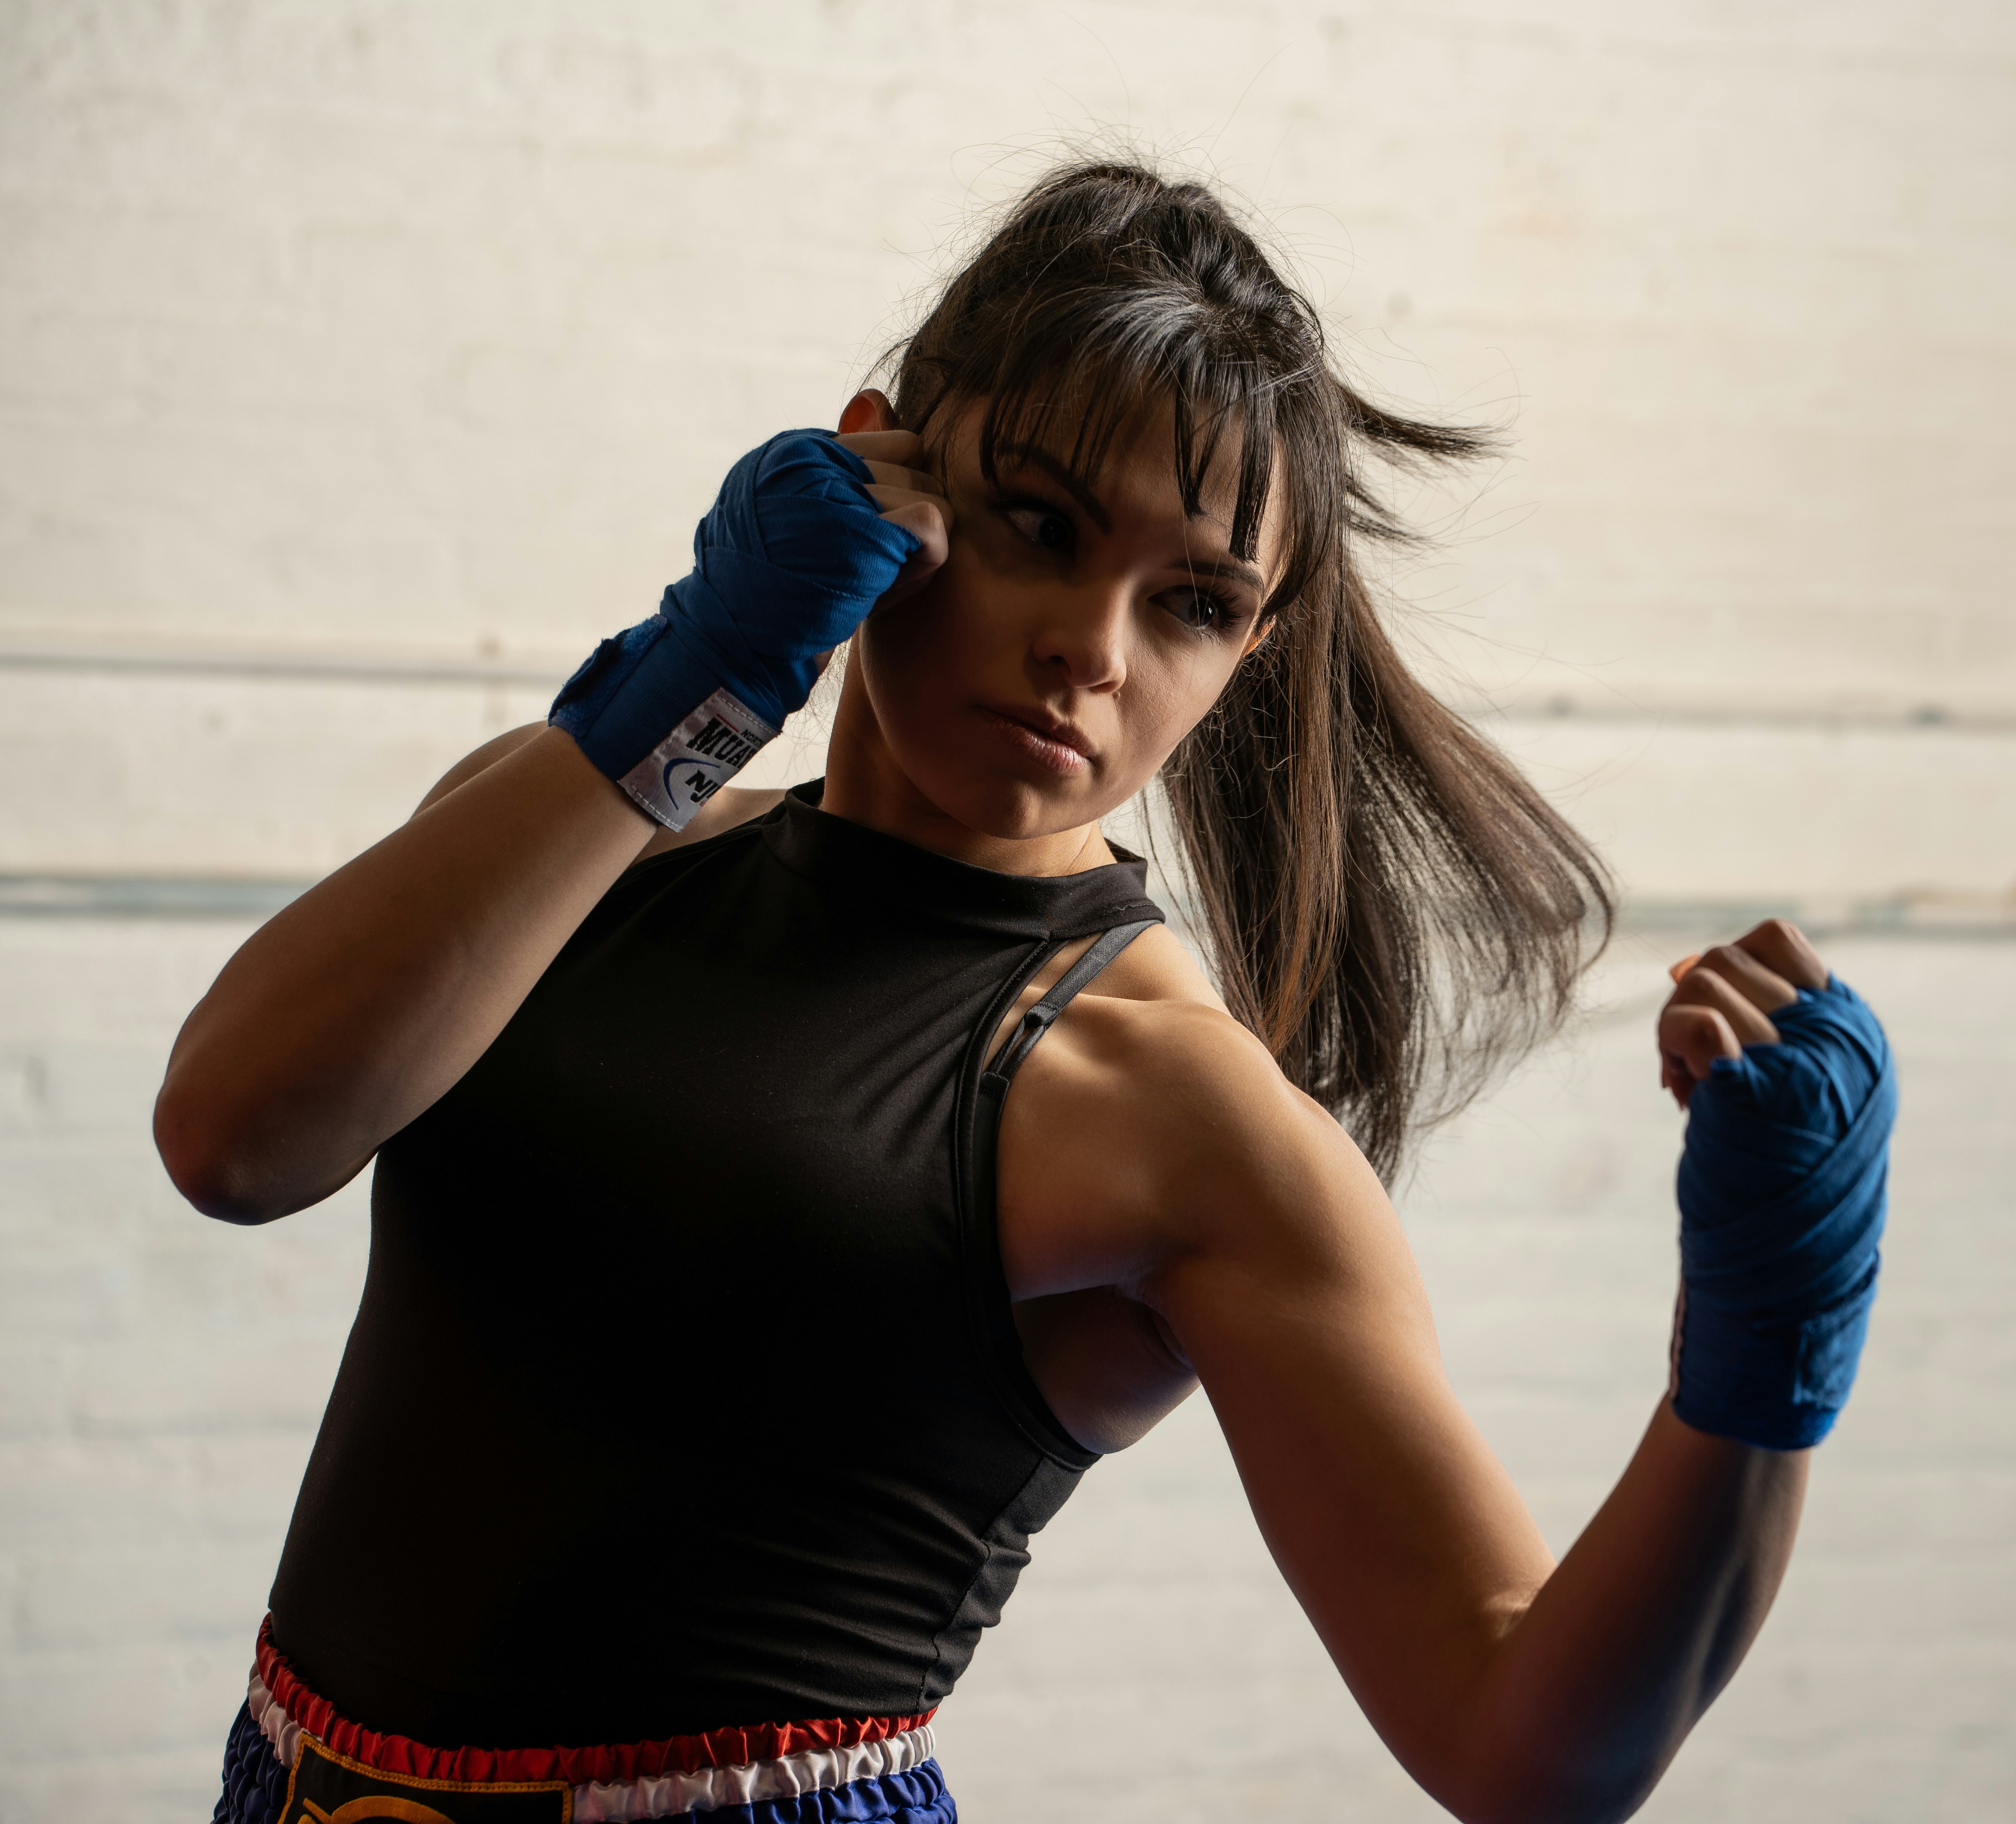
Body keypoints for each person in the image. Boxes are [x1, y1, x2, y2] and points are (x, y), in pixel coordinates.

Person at [157, 161, 1892, 1824]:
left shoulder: (1176, 1110)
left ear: (1248, 651)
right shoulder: (583, 835)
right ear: (875, 470)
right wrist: (687, 679)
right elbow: (231, 1138)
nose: (1095, 645)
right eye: (1039, 525)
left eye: (1194, 602)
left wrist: (1762, 1357)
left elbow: (1527, 1750)